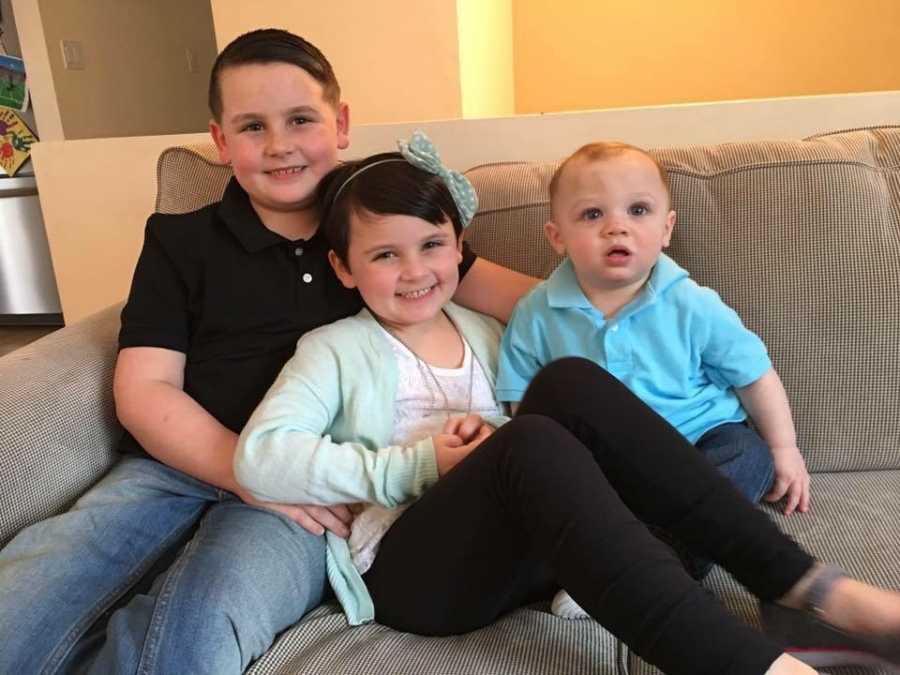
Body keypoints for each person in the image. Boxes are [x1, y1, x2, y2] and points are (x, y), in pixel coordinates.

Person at [234, 134, 900, 675]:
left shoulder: (490, 332)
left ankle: (807, 587)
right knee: (530, 437)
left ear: (459, 249)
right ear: (345, 267)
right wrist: (413, 465)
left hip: (522, 555)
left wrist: (491, 430)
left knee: (567, 384)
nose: (414, 271)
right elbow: (260, 456)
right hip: (415, 575)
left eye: (432, 246)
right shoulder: (333, 349)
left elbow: (531, 431)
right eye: (385, 254)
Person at [0, 30, 535, 675]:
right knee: (29, 596)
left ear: (339, 124)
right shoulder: (181, 242)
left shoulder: (386, 229)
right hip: (172, 471)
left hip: (312, 488)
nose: (279, 144)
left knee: (199, 631)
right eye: (253, 126)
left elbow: (533, 307)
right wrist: (247, 472)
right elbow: (143, 391)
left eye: (301, 120)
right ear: (221, 142)